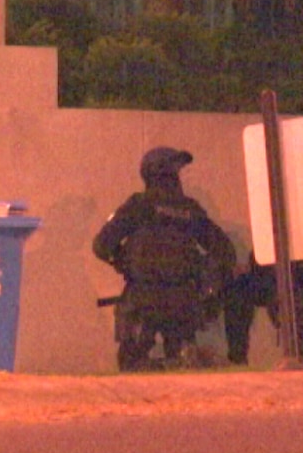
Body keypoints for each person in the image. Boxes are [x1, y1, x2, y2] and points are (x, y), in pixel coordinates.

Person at [93, 147, 237, 371]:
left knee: (131, 364)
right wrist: (207, 281)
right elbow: (225, 252)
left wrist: (124, 262)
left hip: (143, 298)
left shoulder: (138, 205)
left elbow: (101, 245)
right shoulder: (190, 209)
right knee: (184, 366)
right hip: (183, 301)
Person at [223, 189, 303, 366]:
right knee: (239, 288)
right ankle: (237, 360)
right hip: (282, 286)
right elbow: (259, 261)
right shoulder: (280, 226)